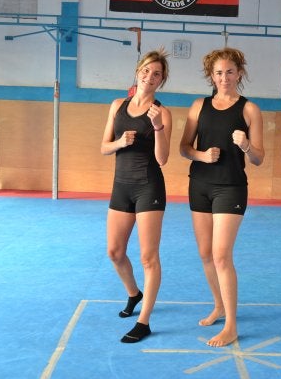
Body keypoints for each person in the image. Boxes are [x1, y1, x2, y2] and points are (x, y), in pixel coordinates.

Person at [179, 47, 264, 347]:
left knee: (221, 255)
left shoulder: (249, 109)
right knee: (205, 253)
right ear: (211, 76)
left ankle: (231, 325)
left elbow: (259, 158)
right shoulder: (198, 106)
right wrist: (201, 155)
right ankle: (218, 304)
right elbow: (184, 147)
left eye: (229, 72)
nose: (224, 77)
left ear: (239, 73)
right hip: (199, 184)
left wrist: (246, 147)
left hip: (230, 187)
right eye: (218, 73)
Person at [100, 49, 172, 343]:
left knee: (148, 256)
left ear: (161, 80)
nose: (150, 77)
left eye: (156, 74)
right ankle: (134, 293)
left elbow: (163, 158)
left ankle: (144, 321)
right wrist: (118, 141)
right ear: (137, 72)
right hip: (121, 185)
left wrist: (156, 127)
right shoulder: (118, 105)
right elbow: (103, 147)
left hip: (148, 186)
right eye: (146, 71)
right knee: (114, 252)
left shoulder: (162, 112)